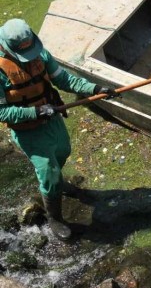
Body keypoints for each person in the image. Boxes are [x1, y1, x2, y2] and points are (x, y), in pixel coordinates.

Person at [0, 18, 118, 240]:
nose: (31, 57)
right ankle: (55, 217)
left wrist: (95, 88)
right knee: (49, 172)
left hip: (51, 118)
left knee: (63, 151)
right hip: (27, 129)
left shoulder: (41, 55)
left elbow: (64, 79)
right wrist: (34, 112)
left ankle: (59, 184)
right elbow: (1, 112)